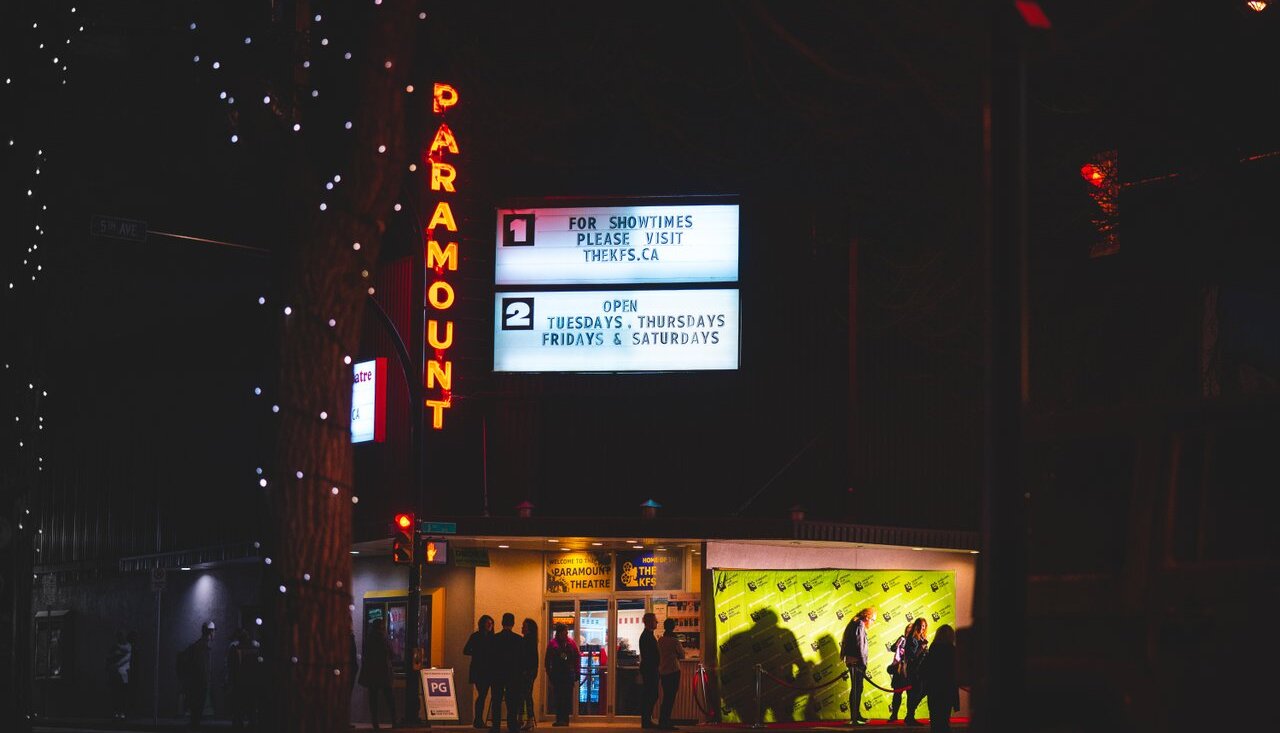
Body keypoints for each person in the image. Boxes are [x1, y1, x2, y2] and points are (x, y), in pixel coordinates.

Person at [489, 613, 525, 733]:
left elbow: (491, 657)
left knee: (497, 700)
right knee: (512, 701)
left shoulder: (495, 638)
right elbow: (521, 659)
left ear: (502, 622)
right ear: (513, 623)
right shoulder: (518, 639)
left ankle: (496, 726)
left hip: (497, 674)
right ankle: (512, 725)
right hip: (513, 675)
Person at [920, 624, 959, 732]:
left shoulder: (933, 650)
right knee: (944, 720)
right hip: (947, 690)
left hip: (934, 690)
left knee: (935, 721)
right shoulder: (953, 651)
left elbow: (922, 671)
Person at [359, 618, 396, 730]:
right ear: (381, 627)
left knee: (373, 699)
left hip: (372, 674)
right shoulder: (384, 638)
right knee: (389, 697)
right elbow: (392, 653)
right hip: (383, 672)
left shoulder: (368, 638)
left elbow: (365, 654)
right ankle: (394, 720)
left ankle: (375, 723)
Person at [840, 608, 875, 726]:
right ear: (867, 617)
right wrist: (863, 662)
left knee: (858, 688)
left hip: (853, 660)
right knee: (856, 689)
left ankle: (856, 715)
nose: (873, 623)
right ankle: (854, 717)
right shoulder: (859, 624)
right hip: (856, 661)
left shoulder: (855, 623)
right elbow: (860, 644)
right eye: (873, 620)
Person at [179, 621, 215, 730]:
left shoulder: (198, 646)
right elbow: (199, 668)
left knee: (196, 714)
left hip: (197, 684)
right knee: (196, 713)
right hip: (198, 685)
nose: (215, 634)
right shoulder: (200, 648)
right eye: (213, 631)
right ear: (210, 632)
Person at [544, 623, 580, 726]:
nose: (567, 633)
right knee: (558, 697)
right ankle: (560, 719)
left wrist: (576, 671)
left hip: (568, 674)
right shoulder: (553, 644)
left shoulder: (570, 643)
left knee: (566, 697)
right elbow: (547, 660)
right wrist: (549, 673)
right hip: (557, 675)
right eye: (565, 631)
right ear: (560, 632)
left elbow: (576, 657)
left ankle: (565, 719)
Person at [465, 615, 497, 728]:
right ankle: (478, 720)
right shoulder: (477, 636)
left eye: (491, 623)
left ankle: (478, 720)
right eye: (488, 623)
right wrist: (478, 653)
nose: (490, 625)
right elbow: (466, 650)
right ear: (482, 624)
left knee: (482, 694)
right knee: (482, 694)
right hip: (480, 670)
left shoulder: (490, 637)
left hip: (487, 670)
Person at [226, 627, 261, 729]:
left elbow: (230, 665)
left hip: (240, 681)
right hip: (249, 681)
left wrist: (230, 680)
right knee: (250, 706)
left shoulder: (234, 647)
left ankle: (240, 723)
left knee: (239, 707)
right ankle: (250, 723)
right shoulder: (254, 646)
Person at [656, 617, 685, 731]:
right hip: (673, 671)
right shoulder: (674, 640)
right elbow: (682, 655)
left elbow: (658, 654)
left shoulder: (660, 640)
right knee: (670, 697)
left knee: (666, 697)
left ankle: (663, 720)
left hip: (663, 671)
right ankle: (665, 721)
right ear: (673, 627)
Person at [902, 618, 930, 726]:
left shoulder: (922, 637)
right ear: (915, 626)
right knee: (914, 693)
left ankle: (909, 716)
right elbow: (911, 656)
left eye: (924, 626)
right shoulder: (912, 639)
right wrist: (921, 648)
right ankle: (909, 717)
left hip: (921, 670)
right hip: (914, 670)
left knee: (920, 691)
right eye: (920, 625)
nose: (922, 628)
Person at [638, 612, 659, 728]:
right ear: (650, 622)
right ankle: (646, 720)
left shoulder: (646, 635)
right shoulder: (647, 636)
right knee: (651, 694)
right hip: (650, 669)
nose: (657, 622)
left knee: (650, 694)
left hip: (649, 668)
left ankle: (646, 720)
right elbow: (651, 654)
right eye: (655, 620)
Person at [105, 630, 132, 720]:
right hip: (116, 674)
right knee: (116, 694)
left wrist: (114, 664)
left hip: (124, 675)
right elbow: (109, 657)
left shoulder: (127, 646)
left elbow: (126, 655)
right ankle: (117, 712)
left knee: (122, 694)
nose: (121, 638)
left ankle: (122, 712)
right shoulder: (116, 648)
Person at [519, 618, 540, 730]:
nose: (522, 628)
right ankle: (527, 719)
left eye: (524, 626)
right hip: (531, 670)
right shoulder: (532, 640)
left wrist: (524, 670)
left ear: (528, 628)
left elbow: (525, 657)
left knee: (525, 694)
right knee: (527, 694)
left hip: (527, 671)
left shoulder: (527, 640)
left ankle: (526, 719)